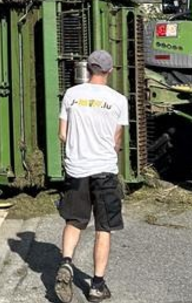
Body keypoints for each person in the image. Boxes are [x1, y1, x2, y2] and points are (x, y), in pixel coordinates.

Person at [54, 49, 129, 303]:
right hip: (104, 169)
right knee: (103, 227)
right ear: (109, 71)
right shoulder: (118, 100)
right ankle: (97, 285)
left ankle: (66, 262)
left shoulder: (72, 95)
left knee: (74, 220)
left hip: (76, 169)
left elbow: (62, 134)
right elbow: (116, 139)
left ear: (88, 69)